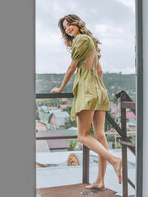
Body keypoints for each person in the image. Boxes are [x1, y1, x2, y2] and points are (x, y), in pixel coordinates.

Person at [51, 14, 122, 189]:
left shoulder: (80, 39)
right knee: (100, 135)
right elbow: (99, 70)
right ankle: (99, 180)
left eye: (69, 24)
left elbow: (72, 67)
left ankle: (115, 160)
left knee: (83, 136)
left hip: (87, 89)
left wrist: (60, 89)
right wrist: (97, 89)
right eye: (65, 27)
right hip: (98, 89)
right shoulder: (90, 41)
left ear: (77, 23)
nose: (67, 28)